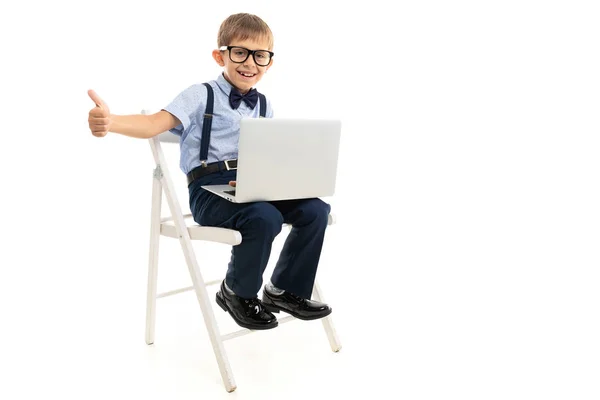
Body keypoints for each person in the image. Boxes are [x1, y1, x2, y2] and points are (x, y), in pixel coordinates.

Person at [87, 13, 333, 331]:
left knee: (316, 210)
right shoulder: (199, 95)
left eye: (260, 55)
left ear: (269, 62)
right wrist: (112, 121)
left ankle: (284, 290)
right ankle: (236, 292)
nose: (250, 63)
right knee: (264, 217)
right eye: (240, 52)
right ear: (221, 55)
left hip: (253, 184)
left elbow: (269, 153)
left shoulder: (264, 106)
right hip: (208, 190)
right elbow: (151, 124)